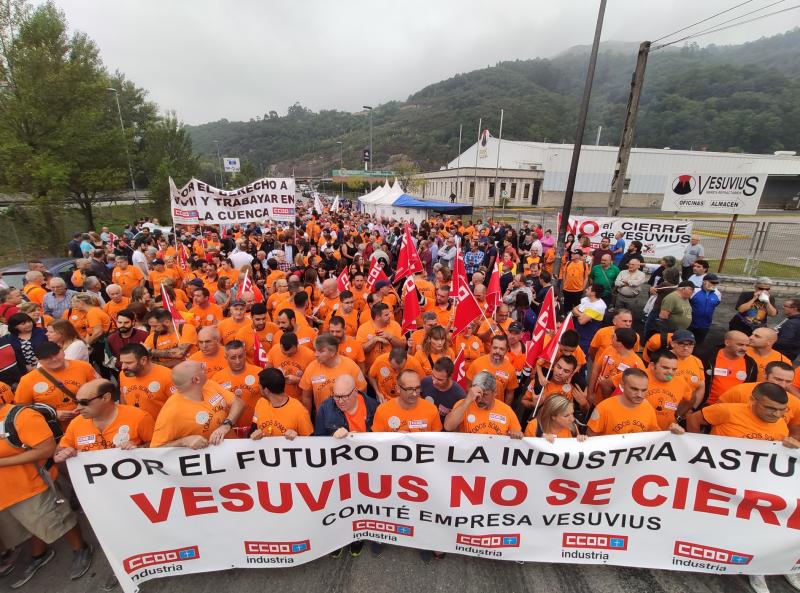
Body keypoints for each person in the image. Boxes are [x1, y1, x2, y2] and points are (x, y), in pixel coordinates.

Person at [0, 398, 94, 588]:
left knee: (58, 521)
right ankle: (39, 555)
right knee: (29, 525)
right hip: (5, 495)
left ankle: (81, 548)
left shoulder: (21, 416)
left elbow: (47, 450)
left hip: (31, 487)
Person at [314, 374, 378, 559]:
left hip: (366, 468)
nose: (340, 401)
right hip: (339, 468)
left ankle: (358, 537)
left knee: (361, 504)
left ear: (355, 392)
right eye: (336, 396)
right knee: (339, 504)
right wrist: (332, 436)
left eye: (344, 396)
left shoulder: (372, 406)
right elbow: (318, 440)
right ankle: (338, 539)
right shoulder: (326, 408)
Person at [150, 361, 242, 449]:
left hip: (232, 452)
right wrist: (183, 442)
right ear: (196, 379)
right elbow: (155, 449)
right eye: (202, 368)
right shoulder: (172, 412)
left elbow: (238, 403)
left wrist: (226, 425)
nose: (205, 369)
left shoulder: (208, 384)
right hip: (208, 462)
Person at [54, 379, 154, 460]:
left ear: (106, 398)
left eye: (84, 402)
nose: (78, 407)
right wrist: (66, 452)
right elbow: (59, 451)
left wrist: (140, 448)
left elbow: (159, 446)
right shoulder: (76, 423)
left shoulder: (139, 417)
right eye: (77, 402)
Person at [14, 342, 98, 428]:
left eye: (55, 354)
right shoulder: (27, 380)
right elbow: (21, 409)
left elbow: (100, 390)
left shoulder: (83, 367)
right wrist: (52, 413)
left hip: (90, 422)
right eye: (47, 358)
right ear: (38, 360)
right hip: (56, 430)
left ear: (62, 351)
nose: (53, 359)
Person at [587, 368, 680, 436]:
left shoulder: (647, 407)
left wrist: (670, 433)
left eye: (644, 390)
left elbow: (654, 436)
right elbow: (591, 439)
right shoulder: (603, 408)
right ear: (622, 385)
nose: (640, 395)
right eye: (634, 389)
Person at [299, 334, 366, 412]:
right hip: (324, 419)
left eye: (321, 351)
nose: (316, 354)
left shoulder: (351, 367)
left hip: (348, 418)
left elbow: (362, 392)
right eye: (315, 350)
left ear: (333, 352)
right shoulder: (312, 367)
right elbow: (306, 396)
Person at [444, 371, 522, 437]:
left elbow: (519, 435)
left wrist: (516, 434)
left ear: (494, 392)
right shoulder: (463, 404)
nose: (479, 399)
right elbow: (448, 427)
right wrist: (467, 400)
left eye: (484, 395)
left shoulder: (507, 411)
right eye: (477, 394)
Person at [211, 340, 264, 431]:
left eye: (240, 356)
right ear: (226, 357)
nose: (238, 361)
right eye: (233, 358)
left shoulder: (259, 373)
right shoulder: (216, 378)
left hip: (256, 428)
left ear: (245, 354)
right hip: (230, 430)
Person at [250, 368, 313, 439]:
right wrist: (254, 435)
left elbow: (310, 442)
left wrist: (296, 438)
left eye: (259, 385)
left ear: (266, 390)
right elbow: (253, 428)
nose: (258, 387)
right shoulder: (260, 403)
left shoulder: (299, 411)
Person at [118, 343, 176, 421]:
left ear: (143, 360)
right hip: (137, 426)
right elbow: (123, 396)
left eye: (129, 363)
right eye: (122, 362)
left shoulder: (168, 376)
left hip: (161, 427)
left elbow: (178, 405)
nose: (123, 367)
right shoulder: (123, 374)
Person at [372, 369, 442, 433]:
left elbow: (437, 440)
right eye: (409, 389)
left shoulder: (431, 410)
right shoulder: (382, 411)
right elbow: (376, 441)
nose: (414, 394)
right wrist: (393, 438)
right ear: (398, 389)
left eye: (417, 388)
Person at [588, 327, 644, 404]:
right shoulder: (609, 349)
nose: (611, 337)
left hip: (617, 405)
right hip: (597, 401)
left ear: (620, 343)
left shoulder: (637, 364)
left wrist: (605, 384)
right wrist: (590, 393)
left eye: (613, 336)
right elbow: (596, 369)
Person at [701, 330, 758, 406]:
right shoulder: (707, 357)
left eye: (747, 345)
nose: (744, 349)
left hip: (732, 409)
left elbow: (748, 389)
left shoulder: (751, 364)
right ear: (727, 343)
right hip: (706, 406)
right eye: (740, 345)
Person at [643, 350, 694, 430]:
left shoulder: (680, 382)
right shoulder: (638, 377)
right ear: (652, 366)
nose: (670, 372)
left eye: (674, 369)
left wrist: (678, 417)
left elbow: (691, 399)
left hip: (665, 433)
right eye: (665, 368)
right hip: (639, 433)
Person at [465, 335, 519, 405]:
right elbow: (468, 386)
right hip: (476, 405)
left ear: (507, 350)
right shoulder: (477, 363)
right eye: (495, 348)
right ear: (490, 347)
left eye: (502, 349)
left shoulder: (510, 370)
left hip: (496, 410)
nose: (497, 351)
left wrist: (505, 409)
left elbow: (510, 393)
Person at [263, 333, 317, 401]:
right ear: (280, 345)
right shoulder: (274, 349)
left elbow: (315, 381)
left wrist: (298, 380)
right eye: (284, 353)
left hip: (300, 400)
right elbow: (267, 372)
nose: (287, 356)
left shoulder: (310, 355)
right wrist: (276, 375)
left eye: (291, 353)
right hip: (279, 398)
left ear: (297, 344)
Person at [356, 302, 405, 369]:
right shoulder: (363, 328)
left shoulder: (395, 325)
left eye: (390, 313)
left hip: (392, 368)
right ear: (378, 317)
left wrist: (390, 337)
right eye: (386, 315)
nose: (390, 316)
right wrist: (374, 340)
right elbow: (360, 350)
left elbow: (403, 346)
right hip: (371, 369)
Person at [420, 356, 465, 422]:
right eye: (433, 376)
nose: (434, 381)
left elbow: (463, 418)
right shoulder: (425, 381)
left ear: (450, 376)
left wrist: (450, 412)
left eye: (439, 379)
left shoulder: (460, 395)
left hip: (444, 430)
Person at [572, 284, 607, 355]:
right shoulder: (586, 299)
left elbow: (581, 321)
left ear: (593, 293)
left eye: (588, 289)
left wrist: (579, 314)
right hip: (578, 332)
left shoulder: (598, 306)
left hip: (586, 337)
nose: (586, 290)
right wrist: (582, 315)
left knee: (581, 356)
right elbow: (574, 309)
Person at [687, 273, 721, 345]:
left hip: (705, 326)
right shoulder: (694, 291)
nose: (714, 284)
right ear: (704, 282)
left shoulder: (718, 294)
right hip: (690, 324)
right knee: (687, 342)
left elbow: (716, 304)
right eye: (712, 282)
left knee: (699, 344)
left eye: (716, 283)